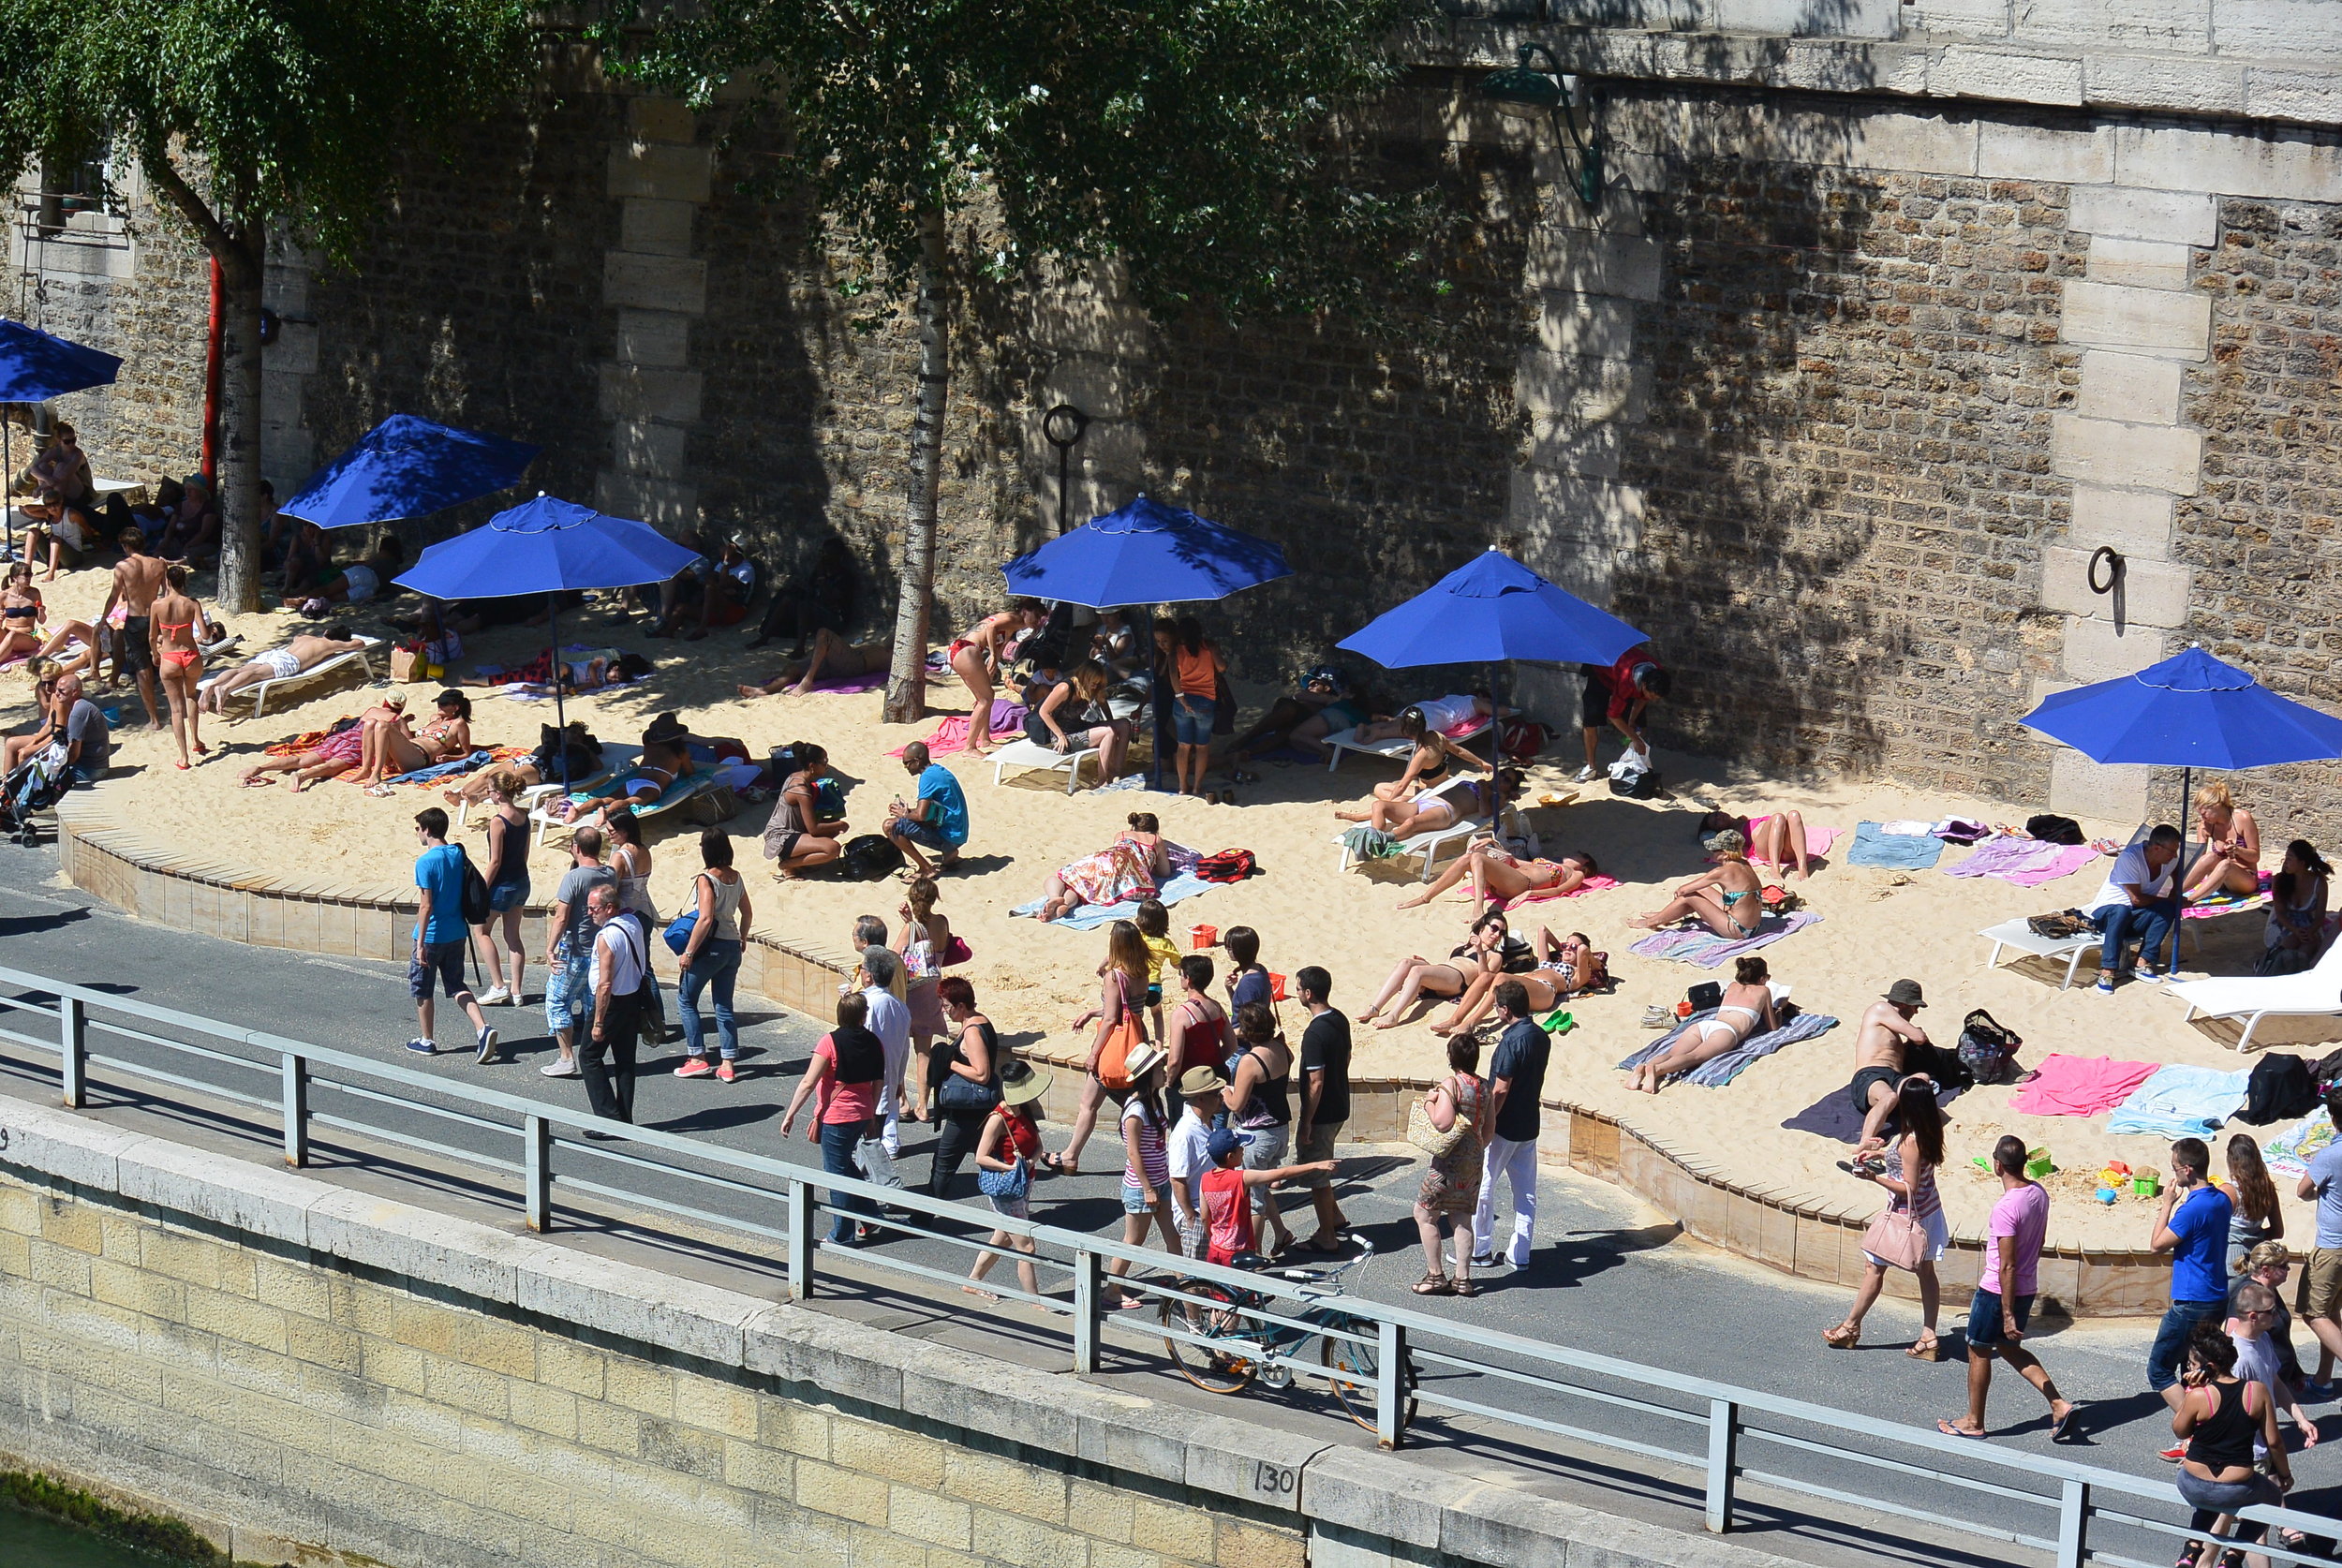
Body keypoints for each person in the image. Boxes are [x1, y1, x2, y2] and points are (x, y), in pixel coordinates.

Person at [1938, 1136, 2076, 1442]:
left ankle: (1974, 1421)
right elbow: (2037, 1243)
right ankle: (2058, 1404)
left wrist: (2007, 1312)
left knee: (1978, 1350)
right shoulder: (2038, 1193)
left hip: (1998, 1291)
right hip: (2027, 1286)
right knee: (2011, 1349)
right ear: (2024, 1163)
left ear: (1998, 1165)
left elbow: (2006, 1265)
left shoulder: (2005, 1208)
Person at [1823, 1075, 1948, 1358]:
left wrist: (1873, 1178)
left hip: (1905, 1216)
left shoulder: (1911, 1140)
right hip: (1930, 1212)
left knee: (1874, 1267)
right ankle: (1928, 1336)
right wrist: (1880, 1150)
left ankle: (1850, 1328)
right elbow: (1907, 1161)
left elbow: (1908, 1187)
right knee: (1926, 1274)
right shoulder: (1928, 1129)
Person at [2169, 1322, 2293, 1568]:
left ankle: (2191, 1549)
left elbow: (2179, 1429)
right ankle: (2234, 1556)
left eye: (2192, 1365)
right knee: (2272, 1497)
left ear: (2208, 1367)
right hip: (2236, 1485)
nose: (2188, 1369)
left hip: (2192, 1482)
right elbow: (2274, 1442)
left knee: (2209, 1498)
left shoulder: (2198, 1396)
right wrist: (2285, 1474)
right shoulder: (2256, 1392)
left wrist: (2192, 1391)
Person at [780, 992, 887, 1245]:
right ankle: (871, 1216)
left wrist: (790, 1114)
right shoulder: (875, 1042)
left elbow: (808, 1082)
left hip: (837, 1118)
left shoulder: (829, 1042)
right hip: (861, 1114)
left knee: (835, 1174)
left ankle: (842, 1234)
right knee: (845, 1167)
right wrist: (871, 1115)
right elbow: (879, 1083)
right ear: (863, 1015)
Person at [1048, 921, 1154, 1175]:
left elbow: (1110, 1019)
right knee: (1138, 1102)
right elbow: (1127, 1010)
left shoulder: (1115, 977)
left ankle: (1071, 1157)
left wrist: (1094, 1053)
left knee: (1089, 1104)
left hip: (1114, 1044)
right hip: (1137, 1040)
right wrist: (1091, 1012)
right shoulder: (1142, 972)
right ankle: (1151, 1153)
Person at [2151, 1137, 2237, 1426]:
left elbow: (2157, 1245)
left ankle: (2200, 1426)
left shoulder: (2191, 1210)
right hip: (2216, 1297)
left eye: (2175, 1167)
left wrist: (2167, 1204)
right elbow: (2227, 1188)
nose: (2173, 1173)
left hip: (2191, 1303)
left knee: (2160, 1370)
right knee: (2194, 1368)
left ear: (2187, 1169)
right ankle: (2204, 1426)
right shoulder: (2222, 1200)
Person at [404, 808, 498, 1064]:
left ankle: (427, 1039)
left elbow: (426, 905)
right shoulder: (457, 853)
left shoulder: (425, 862)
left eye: (418, 828)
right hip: (457, 931)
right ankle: (482, 1028)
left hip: (433, 934)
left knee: (422, 988)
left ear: (427, 830)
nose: (417, 833)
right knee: (457, 985)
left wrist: (420, 943)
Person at [1471, 981, 1548, 1272]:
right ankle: (1520, 1253)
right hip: (1529, 1124)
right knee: (1526, 1193)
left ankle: (1480, 1249)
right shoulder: (1541, 1036)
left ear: (1504, 1010)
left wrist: (1485, 1123)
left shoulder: (1510, 1042)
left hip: (1504, 1127)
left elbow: (1500, 1089)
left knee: (1485, 1187)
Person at [963, 1058, 1052, 1299]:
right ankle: (1034, 1301)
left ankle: (973, 1280)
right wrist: (1010, 1167)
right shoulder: (998, 1118)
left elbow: (1038, 1144)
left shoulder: (1024, 1111)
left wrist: (1031, 1162)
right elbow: (980, 1157)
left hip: (1023, 1185)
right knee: (1027, 1246)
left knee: (1002, 1238)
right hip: (1007, 1189)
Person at [1626, 956, 1777, 1093]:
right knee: (1695, 1056)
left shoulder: (1732, 986)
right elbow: (1772, 1026)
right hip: (1726, 1032)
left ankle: (1643, 1068)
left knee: (1671, 1054)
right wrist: (1781, 1009)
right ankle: (1657, 1070)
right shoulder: (1763, 991)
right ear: (1762, 978)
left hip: (1705, 1025)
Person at [673, 832, 753, 1082]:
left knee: (686, 999)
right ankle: (727, 1063)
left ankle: (697, 1057)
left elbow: (706, 917)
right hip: (731, 945)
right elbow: (747, 912)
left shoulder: (706, 878)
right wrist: (742, 936)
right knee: (724, 1005)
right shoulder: (736, 876)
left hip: (711, 947)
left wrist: (688, 952)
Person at [1428, 925, 1608, 1037]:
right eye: (1565, 945)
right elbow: (1542, 930)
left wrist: (1586, 956)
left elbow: (1584, 949)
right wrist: (1563, 949)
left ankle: (1471, 1022)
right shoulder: (1548, 962)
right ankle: (1455, 1019)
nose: (1568, 948)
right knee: (1486, 977)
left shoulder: (1577, 974)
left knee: (1501, 977)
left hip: (1545, 991)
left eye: (1572, 947)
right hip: (1525, 985)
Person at [1411, 1034, 1487, 1296]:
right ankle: (1463, 1279)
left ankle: (1435, 1275)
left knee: (1424, 1214)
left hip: (1449, 1161)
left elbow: (1442, 1123)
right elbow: (1489, 1128)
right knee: (1462, 1218)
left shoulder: (1451, 1085)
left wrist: (1429, 1103)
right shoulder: (1484, 1086)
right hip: (1474, 1160)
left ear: (1451, 1058)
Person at [1105, 1046, 1182, 1309]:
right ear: (1147, 1074)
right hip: (1142, 1188)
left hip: (1160, 1182)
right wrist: (1149, 1188)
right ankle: (1112, 1290)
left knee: (1173, 1236)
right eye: (1159, 1068)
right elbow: (1133, 1152)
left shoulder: (1153, 1100)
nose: (1163, 1071)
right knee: (1133, 1241)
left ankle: (1186, 1286)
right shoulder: (1136, 1110)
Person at [1197, 1127, 1334, 1267]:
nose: (1243, 1150)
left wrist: (1212, 1239)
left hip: (1216, 1248)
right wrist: (1315, 1165)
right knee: (1241, 1286)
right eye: (1240, 1148)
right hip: (1238, 1250)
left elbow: (1204, 1217)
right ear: (1230, 1157)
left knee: (1217, 1287)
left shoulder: (1205, 1179)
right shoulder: (1240, 1178)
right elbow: (1282, 1174)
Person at [1222, 1002, 1297, 1256]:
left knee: (1253, 1201)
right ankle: (1281, 1232)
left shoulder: (1250, 1061)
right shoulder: (1281, 1048)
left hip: (1256, 1136)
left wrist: (1225, 1091)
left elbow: (1236, 1104)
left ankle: (1251, 1257)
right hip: (1280, 1129)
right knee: (1262, 1186)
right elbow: (1291, 1057)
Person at [540, 828, 614, 1079]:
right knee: (591, 1001)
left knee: (557, 1000)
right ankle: (592, 1055)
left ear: (577, 848)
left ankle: (566, 1057)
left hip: (575, 949)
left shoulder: (574, 877)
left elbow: (562, 917)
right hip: (599, 948)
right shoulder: (610, 874)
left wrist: (550, 949)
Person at [1356, 911, 1511, 1030]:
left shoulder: (1494, 956)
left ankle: (1394, 1015)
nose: (1497, 935)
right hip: (1447, 974)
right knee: (1406, 962)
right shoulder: (1460, 945)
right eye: (1495, 928)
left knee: (1417, 971)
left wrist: (1479, 951)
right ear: (1483, 926)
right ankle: (1375, 1008)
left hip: (1459, 980)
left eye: (1501, 933)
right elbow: (1444, 967)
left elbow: (1484, 979)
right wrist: (1427, 965)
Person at [1293, 967, 1352, 1255]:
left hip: (1323, 1114)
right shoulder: (1339, 1019)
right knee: (1323, 1164)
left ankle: (1327, 1235)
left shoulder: (1314, 1033)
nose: (1296, 993)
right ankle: (1336, 1217)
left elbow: (1316, 1081)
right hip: (1340, 1105)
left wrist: (1306, 1120)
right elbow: (1347, 1057)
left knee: (1317, 1174)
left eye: (1298, 988)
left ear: (1308, 993)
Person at [2086, 823, 2184, 992]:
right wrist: (2163, 899)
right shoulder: (2130, 858)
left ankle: (2143, 961)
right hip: (2106, 915)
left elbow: (2177, 870)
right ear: (2156, 848)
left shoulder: (2169, 860)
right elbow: (2136, 899)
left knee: (2168, 907)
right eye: (2171, 851)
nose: (2175, 855)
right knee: (2121, 910)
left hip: (2134, 916)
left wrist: (2174, 894)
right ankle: (2108, 970)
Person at [551, 719, 695, 831]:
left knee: (604, 798)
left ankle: (577, 810)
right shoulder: (680, 752)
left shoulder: (650, 745)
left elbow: (647, 735)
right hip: (652, 785)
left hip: (634, 781)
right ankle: (606, 813)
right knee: (629, 802)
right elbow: (690, 772)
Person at [927, 976, 1001, 1199]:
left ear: (961, 1005)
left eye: (947, 1006)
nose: (944, 1010)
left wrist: (950, 1063)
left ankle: (924, 1214)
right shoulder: (980, 1021)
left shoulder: (972, 1032)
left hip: (967, 1110)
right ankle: (1009, 1206)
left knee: (943, 1162)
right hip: (979, 1108)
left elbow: (982, 1073)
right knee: (991, 1158)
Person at [1222, 665, 1371, 773]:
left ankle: (1247, 752)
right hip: (1291, 710)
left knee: (1286, 735)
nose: (1310, 687)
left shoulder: (1336, 704)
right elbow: (1298, 696)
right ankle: (1245, 739)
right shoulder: (1320, 698)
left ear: (1327, 687)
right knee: (1288, 711)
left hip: (1301, 721)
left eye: (1315, 684)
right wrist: (1326, 698)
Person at [946, 600, 1044, 758]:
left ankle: (984, 739)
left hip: (961, 650)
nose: (1037, 620)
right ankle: (969, 747)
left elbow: (1000, 646)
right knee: (985, 700)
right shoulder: (1014, 618)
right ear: (1025, 611)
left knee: (986, 697)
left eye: (1040, 618)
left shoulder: (1014, 626)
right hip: (967, 650)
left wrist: (993, 664)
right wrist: (991, 655)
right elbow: (992, 628)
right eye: (1036, 615)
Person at [1850, 981, 1935, 1159]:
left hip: (1894, 1077)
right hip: (1870, 1074)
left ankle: (1913, 1130)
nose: (1916, 1012)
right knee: (1889, 1096)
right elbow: (1918, 1037)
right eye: (1914, 1007)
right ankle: (1866, 1140)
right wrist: (1917, 1033)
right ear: (1904, 1004)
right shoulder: (1880, 1009)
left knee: (1923, 1079)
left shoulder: (1891, 1028)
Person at [1628, 828, 1766, 939]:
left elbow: (1682, 891)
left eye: (1714, 850)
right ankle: (1663, 915)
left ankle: (1652, 922)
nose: (1711, 852)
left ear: (1725, 854)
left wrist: (1679, 894)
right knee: (1703, 890)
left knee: (1689, 896)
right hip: (1754, 926)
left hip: (1737, 929)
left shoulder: (1722, 872)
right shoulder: (1745, 864)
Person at [198, 627, 370, 714]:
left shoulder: (306, 638)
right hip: (290, 661)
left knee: (240, 669)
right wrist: (342, 643)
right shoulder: (330, 644)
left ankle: (212, 686)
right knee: (256, 675)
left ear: (326, 631)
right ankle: (225, 689)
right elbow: (358, 644)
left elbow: (296, 636)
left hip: (278, 653)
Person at [2294, 1087, 2342, 1396]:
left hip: (2331, 1246)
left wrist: (2316, 1193)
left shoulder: (2330, 1155)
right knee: (2333, 1310)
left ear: (2334, 1119)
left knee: (2314, 1313)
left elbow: (2302, 1190)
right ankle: (2323, 1378)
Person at [470, 768, 531, 1008]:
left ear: (499, 793)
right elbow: (525, 854)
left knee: (481, 931)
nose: (488, 794)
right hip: (521, 881)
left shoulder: (498, 821)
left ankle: (498, 985)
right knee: (513, 936)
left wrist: (482, 889)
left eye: (490, 791)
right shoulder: (524, 817)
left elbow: (495, 861)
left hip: (502, 884)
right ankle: (517, 990)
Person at [1396, 843, 1600, 913]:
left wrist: (1531, 892)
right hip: (1509, 879)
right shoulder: (1550, 863)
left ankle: (1478, 908)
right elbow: (1517, 863)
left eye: (1579, 854)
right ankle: (1425, 897)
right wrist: (1496, 847)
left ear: (1585, 862)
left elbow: (1558, 891)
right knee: (1469, 857)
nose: (1575, 853)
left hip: (1521, 885)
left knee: (1476, 858)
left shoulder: (1576, 874)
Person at [1037, 812, 1164, 923]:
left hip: (1104, 857)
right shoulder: (1156, 839)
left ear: (1134, 826)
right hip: (1128, 869)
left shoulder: (1122, 834)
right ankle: (1064, 904)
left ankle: (1056, 898)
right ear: (1155, 830)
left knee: (1069, 880)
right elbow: (1165, 871)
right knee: (1087, 887)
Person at [894, 877, 952, 1117]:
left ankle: (903, 1101)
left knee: (897, 1050)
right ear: (934, 898)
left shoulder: (911, 928)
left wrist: (909, 924)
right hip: (931, 991)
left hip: (910, 993)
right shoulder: (942, 922)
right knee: (923, 1052)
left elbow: (895, 956)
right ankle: (923, 1106)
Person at [606, 807, 665, 1043]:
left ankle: (649, 1018)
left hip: (629, 915)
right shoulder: (644, 850)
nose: (609, 834)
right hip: (646, 911)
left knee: (635, 970)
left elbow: (610, 887)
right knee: (645, 967)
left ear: (624, 830)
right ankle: (656, 1017)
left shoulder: (620, 856)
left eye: (612, 831)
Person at [1025, 658, 1134, 781]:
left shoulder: (1093, 689)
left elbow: (1103, 703)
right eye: (1093, 683)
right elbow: (1044, 712)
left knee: (1124, 724)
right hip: (1061, 734)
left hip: (1078, 726)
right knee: (1109, 733)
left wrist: (1112, 723)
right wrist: (1060, 735)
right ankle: (1102, 779)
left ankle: (1116, 773)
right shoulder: (1065, 689)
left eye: (1098, 684)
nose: (1095, 686)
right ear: (1085, 678)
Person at [148, 564, 213, 771]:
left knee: (176, 710)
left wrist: (155, 653)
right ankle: (196, 740)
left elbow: (151, 636)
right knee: (191, 695)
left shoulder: (157, 605)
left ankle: (184, 757)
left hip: (170, 657)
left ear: (167, 581)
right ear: (184, 581)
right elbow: (205, 636)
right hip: (191, 656)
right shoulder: (192, 604)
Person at [97, 528, 163, 730]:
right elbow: (168, 592)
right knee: (163, 659)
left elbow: (114, 594)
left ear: (126, 546)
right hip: (155, 616)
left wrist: (103, 617)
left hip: (135, 619)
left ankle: (154, 718)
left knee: (142, 668)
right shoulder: (158, 564)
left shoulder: (122, 566)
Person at [1577, 643, 1668, 782]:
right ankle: (1590, 766)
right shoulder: (1627, 682)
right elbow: (1613, 715)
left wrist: (1632, 720)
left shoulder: (1656, 674)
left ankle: (1631, 764)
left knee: (1638, 725)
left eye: (1657, 698)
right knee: (1591, 719)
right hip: (1601, 674)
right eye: (1652, 696)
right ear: (1643, 685)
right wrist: (1635, 739)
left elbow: (1644, 698)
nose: (1653, 700)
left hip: (1622, 675)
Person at [749, 533, 856, 652]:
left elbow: (831, 599)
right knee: (788, 599)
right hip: (817, 611)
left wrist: (822, 580)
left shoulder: (844, 577)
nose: (823, 556)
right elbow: (811, 591)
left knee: (804, 606)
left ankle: (800, 647)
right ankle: (765, 637)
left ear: (837, 556)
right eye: (822, 552)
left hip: (835, 619)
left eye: (827, 554)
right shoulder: (821, 571)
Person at [763, 740, 847, 877]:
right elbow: (813, 828)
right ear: (812, 766)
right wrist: (841, 824)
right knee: (833, 848)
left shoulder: (796, 776)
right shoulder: (800, 790)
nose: (827, 766)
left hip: (793, 830)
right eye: (824, 762)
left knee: (833, 828)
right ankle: (787, 865)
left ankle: (801, 862)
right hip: (783, 836)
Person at [860, 946, 914, 1156]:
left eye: (862, 968)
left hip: (868, 1081)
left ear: (869, 976)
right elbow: (904, 1049)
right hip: (890, 1077)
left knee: (866, 1142)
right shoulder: (900, 1006)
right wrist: (900, 1080)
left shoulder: (867, 1003)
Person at [884, 740, 968, 877]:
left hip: (949, 836)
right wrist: (907, 812)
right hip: (958, 833)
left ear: (917, 761)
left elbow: (921, 816)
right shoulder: (939, 771)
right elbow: (928, 811)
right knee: (903, 818)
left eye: (907, 763)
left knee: (890, 826)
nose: (905, 767)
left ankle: (926, 868)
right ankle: (949, 854)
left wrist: (904, 814)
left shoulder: (927, 778)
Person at [1167, 1066, 1225, 1258]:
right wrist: (1190, 1215)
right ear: (1201, 1098)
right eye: (1216, 1094)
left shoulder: (1209, 1123)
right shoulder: (1185, 1133)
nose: (1222, 1097)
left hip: (1213, 1210)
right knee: (1196, 1281)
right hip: (1197, 1214)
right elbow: (1177, 1179)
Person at [736, 629, 891, 697]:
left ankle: (807, 680)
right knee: (793, 667)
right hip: (843, 660)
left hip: (856, 664)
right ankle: (764, 690)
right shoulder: (892, 643)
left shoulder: (901, 654)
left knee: (824, 634)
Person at [1168, 615, 1223, 797]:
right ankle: (1197, 787)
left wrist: (1181, 698)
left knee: (1183, 746)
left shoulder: (1175, 652)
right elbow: (1222, 667)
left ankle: (1183, 787)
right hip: (1206, 699)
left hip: (1183, 701)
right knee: (1202, 747)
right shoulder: (1209, 647)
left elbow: (1173, 677)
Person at [2184, 780, 2262, 902]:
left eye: (2204, 814)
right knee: (2209, 857)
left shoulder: (2242, 818)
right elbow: (2199, 861)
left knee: (2226, 865)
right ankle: (2174, 893)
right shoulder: (2205, 826)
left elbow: (2255, 856)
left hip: (2244, 879)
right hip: (2219, 880)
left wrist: (2237, 850)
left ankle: (2189, 901)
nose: (2203, 818)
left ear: (2216, 806)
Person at [2262, 839, 2332, 975]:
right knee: (2293, 938)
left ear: (2302, 863)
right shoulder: (2279, 880)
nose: (2285, 862)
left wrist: (2310, 931)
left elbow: (2319, 916)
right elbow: (2280, 913)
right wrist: (2295, 930)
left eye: (2289, 858)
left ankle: (2293, 967)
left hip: (2308, 925)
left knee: (2310, 942)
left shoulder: (2319, 883)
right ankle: (2274, 964)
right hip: (2284, 923)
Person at [1699, 806, 1817, 881]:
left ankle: (1803, 868)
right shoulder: (1731, 833)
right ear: (1718, 830)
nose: (1719, 817)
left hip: (1786, 848)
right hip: (1763, 850)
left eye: (1716, 814)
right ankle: (1774, 869)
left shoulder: (1743, 820)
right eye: (1716, 822)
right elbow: (1715, 843)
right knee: (1778, 817)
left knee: (1794, 814)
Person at [1162, 954, 1227, 1090]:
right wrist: (1214, 1064)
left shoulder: (1182, 1014)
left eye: (1181, 974)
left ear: (1188, 979)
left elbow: (1174, 1060)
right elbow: (1232, 1045)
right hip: (1215, 1077)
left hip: (1189, 1082)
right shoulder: (1217, 1007)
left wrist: (1169, 1082)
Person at [297, 533, 404, 612]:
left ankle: (300, 599)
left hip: (365, 574)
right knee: (333, 598)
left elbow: (367, 564)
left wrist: (351, 565)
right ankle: (303, 601)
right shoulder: (395, 568)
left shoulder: (385, 555)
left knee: (328, 589)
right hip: (372, 588)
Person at [2227, 1134, 2285, 1271]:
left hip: (2230, 1259)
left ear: (2231, 1159)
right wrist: (2256, 1236)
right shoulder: (2267, 1189)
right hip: (2257, 1258)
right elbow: (2278, 1231)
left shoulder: (2229, 1191)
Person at [2, 660, 64, 774]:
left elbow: (59, 733)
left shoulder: (64, 700)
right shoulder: (55, 697)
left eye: (50, 683)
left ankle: (22, 786)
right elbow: (48, 726)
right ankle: (6, 784)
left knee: (25, 753)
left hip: (61, 742)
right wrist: (34, 741)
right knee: (11, 743)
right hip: (52, 736)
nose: (46, 687)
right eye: (43, 683)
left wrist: (38, 744)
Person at [1134, 898, 1179, 1041]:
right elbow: (1176, 964)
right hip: (1154, 985)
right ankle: (1159, 1045)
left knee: (1137, 1015)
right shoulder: (1166, 944)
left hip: (1137, 984)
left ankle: (1138, 1040)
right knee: (1157, 1014)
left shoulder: (1138, 938)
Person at [56, 675, 110, 786]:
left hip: (91, 770)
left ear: (74, 691)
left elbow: (74, 754)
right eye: (56, 689)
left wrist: (57, 770)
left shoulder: (78, 713)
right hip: (98, 765)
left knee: (51, 778)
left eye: (61, 690)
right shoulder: (82, 705)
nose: (57, 693)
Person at [0, 563, 46, 665]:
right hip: (7, 633)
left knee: (13, 635)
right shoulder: (4, 595)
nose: (29, 578)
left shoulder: (34, 593)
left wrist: (41, 612)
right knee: (10, 634)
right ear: (15, 577)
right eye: (26, 574)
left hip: (28, 637)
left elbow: (42, 621)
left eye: (30, 574)